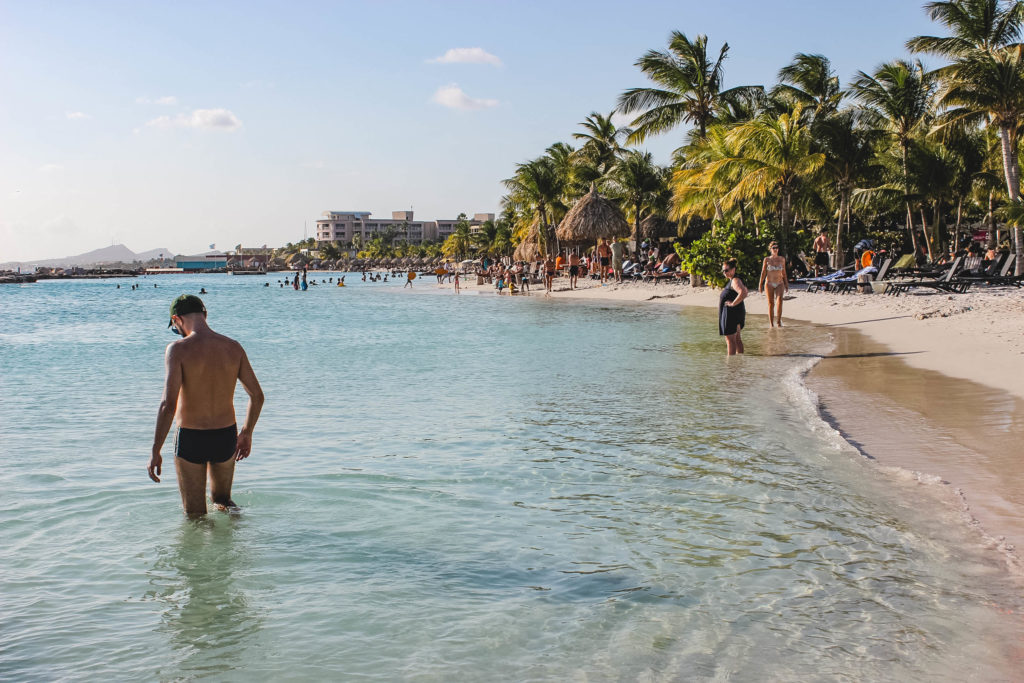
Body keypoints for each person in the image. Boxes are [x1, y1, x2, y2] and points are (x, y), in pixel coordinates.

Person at [149, 295, 264, 516]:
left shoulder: (177, 349)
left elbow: (168, 405)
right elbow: (257, 396)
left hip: (191, 437)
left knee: (195, 516)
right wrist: (247, 433)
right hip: (225, 436)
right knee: (223, 502)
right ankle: (236, 543)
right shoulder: (233, 347)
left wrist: (155, 451)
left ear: (176, 319)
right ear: (205, 315)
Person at [719, 259, 747, 356]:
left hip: (731, 314)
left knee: (730, 340)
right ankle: (739, 362)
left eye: (726, 270)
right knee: (737, 339)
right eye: (723, 271)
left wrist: (733, 304)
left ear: (733, 269)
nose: (724, 273)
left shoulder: (735, 280)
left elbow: (743, 292)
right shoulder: (736, 280)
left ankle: (731, 367)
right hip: (736, 312)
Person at [758, 242, 789, 328]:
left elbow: (784, 273)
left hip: (780, 283)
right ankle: (771, 324)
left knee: (780, 301)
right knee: (771, 303)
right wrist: (760, 284)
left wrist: (786, 284)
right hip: (769, 283)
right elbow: (763, 272)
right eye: (773, 248)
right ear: (770, 249)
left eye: (776, 247)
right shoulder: (767, 260)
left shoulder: (782, 259)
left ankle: (778, 322)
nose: (775, 249)